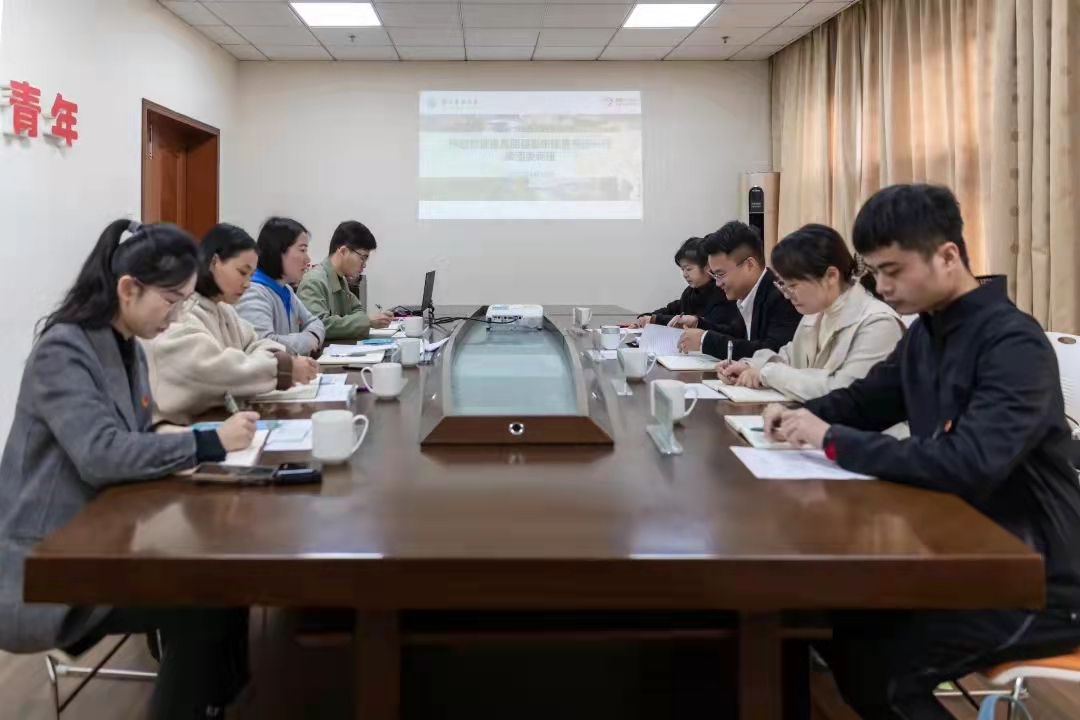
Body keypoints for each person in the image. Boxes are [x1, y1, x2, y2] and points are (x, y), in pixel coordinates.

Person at [763, 185, 1080, 720]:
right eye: (874, 272)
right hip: (961, 547)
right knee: (835, 624)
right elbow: (866, 401)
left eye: (893, 270)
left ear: (947, 255)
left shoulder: (1011, 342)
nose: (883, 286)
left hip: (1036, 575)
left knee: (882, 670)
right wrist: (796, 416)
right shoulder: (927, 333)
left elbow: (967, 461)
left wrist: (831, 438)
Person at [0, 220, 258, 719]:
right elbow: (101, 453)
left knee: (224, 578)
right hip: (48, 559)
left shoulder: (127, 346)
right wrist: (206, 442)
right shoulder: (64, 349)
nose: (177, 313)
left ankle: (218, 700)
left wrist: (176, 438)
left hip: (105, 533)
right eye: (171, 299)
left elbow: (136, 432)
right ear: (128, 288)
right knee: (201, 602)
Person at [146, 224, 320, 424]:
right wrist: (282, 367)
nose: (247, 283)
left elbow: (256, 342)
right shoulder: (182, 313)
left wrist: (275, 359)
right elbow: (215, 372)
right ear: (214, 262)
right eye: (242, 272)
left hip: (218, 422)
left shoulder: (224, 309)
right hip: (181, 429)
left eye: (251, 275)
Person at [716, 224, 904, 402]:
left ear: (831, 276)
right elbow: (789, 358)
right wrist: (749, 366)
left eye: (793, 286)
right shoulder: (816, 313)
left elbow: (843, 391)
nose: (787, 295)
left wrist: (767, 373)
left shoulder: (878, 323)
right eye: (783, 285)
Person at [677, 221, 801, 360]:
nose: (717, 283)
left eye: (720, 274)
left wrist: (704, 341)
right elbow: (736, 334)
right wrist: (698, 323)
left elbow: (773, 352)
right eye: (714, 275)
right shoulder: (747, 294)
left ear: (749, 265)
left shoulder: (781, 295)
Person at [237, 217, 326, 356]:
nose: (308, 259)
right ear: (278, 251)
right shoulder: (253, 291)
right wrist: (306, 341)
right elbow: (263, 345)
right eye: (302, 250)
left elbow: (314, 322)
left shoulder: (285, 290)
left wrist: (313, 335)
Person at [297, 220, 394, 341]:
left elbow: (358, 310)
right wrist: (366, 321)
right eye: (362, 258)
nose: (364, 265)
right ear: (343, 251)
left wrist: (364, 320)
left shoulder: (340, 279)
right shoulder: (314, 281)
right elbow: (319, 325)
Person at [631, 237, 743, 335]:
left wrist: (656, 319)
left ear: (707, 267)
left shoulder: (722, 292)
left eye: (689, 269)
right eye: (682, 269)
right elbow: (671, 310)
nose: (685, 274)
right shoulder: (690, 293)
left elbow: (713, 325)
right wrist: (645, 317)